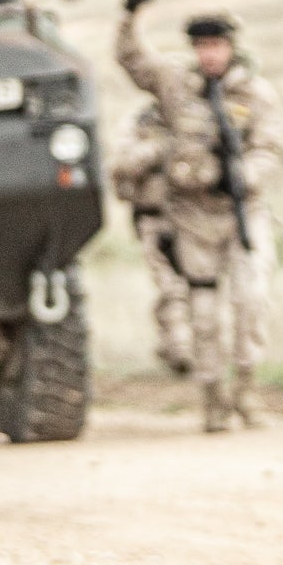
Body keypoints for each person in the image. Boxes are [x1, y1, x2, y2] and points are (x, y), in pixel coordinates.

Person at [115, 0, 283, 431]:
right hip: (191, 218)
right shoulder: (176, 84)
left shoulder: (256, 94)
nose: (210, 55)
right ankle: (213, 399)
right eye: (202, 46)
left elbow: (270, 149)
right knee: (204, 316)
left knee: (251, 300)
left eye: (218, 45)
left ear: (232, 47)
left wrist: (244, 176)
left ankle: (246, 389)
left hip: (242, 214)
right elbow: (133, 60)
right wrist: (131, 17)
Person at [109, 103, 194, 375]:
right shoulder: (139, 122)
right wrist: (157, 149)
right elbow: (119, 166)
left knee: (195, 285)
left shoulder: (197, 114)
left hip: (194, 219)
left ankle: (177, 344)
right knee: (171, 286)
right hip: (153, 218)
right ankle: (181, 348)